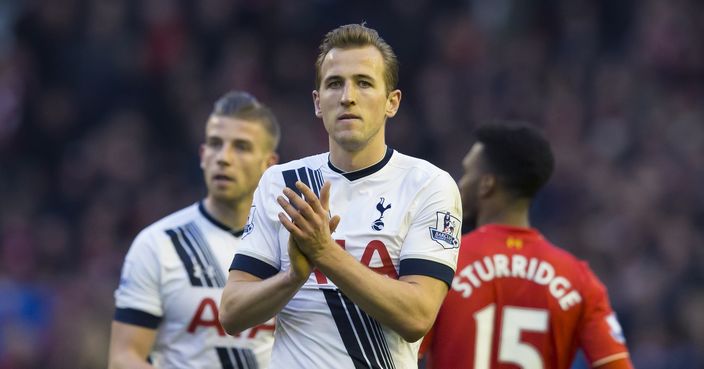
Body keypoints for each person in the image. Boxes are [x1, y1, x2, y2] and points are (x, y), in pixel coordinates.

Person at [219, 24, 462, 369]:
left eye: (364, 83)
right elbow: (231, 312)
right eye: (335, 83)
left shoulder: (428, 185)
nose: (347, 96)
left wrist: (324, 253)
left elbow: (417, 316)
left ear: (392, 102)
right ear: (318, 103)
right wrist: (292, 278)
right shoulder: (282, 183)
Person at [422, 123, 634, 369]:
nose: (461, 184)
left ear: (486, 184)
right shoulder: (579, 280)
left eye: (467, 172)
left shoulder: (443, 262)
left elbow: (400, 356)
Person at [108, 91, 280, 369]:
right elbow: (124, 358)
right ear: (202, 155)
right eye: (215, 144)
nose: (223, 158)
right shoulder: (157, 244)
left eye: (241, 147)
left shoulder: (289, 246)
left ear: (270, 165)